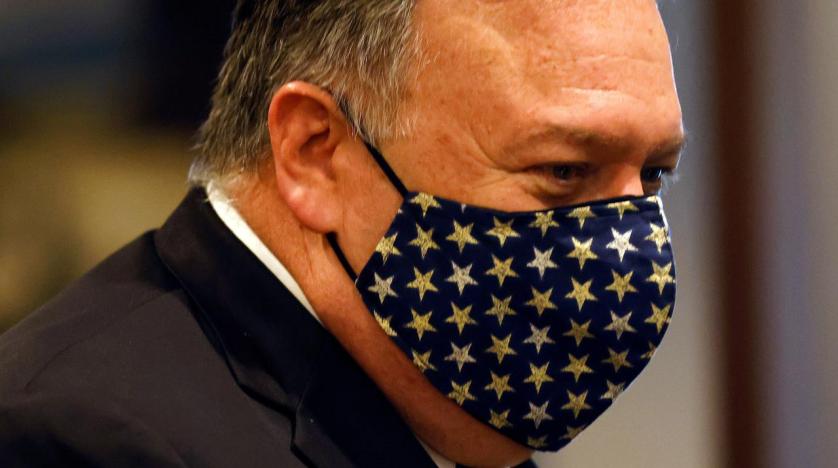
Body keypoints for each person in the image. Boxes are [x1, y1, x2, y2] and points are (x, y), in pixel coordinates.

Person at [0, 1, 684, 466]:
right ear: (315, 154)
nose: (626, 252)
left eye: (653, 174)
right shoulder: (84, 439)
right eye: (564, 171)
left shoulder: (439, 412)